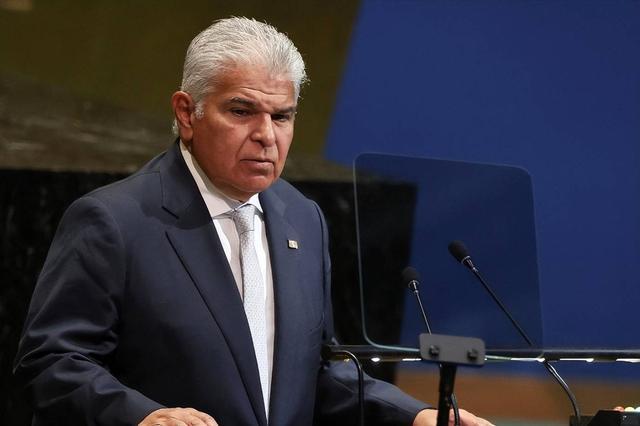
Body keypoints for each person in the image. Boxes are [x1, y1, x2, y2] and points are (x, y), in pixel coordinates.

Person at [14, 17, 493, 426]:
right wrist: (141, 415)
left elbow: (319, 371)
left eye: (282, 116)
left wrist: (414, 415)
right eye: (242, 111)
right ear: (187, 113)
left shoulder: (302, 218)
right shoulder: (114, 221)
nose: (266, 135)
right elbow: (52, 361)